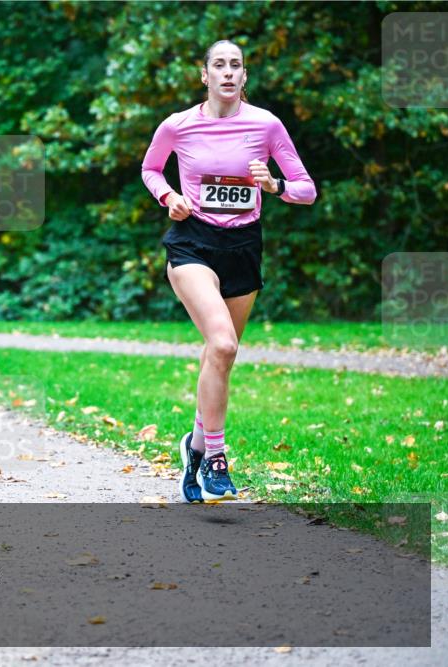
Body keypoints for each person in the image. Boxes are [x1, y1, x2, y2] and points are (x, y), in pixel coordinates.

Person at [141, 40, 316, 502]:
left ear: (244, 76)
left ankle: (194, 449)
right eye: (218, 65)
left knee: (220, 356)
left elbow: (306, 189)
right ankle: (216, 458)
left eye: (235, 65)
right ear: (204, 75)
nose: (227, 73)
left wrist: (274, 185)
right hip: (193, 241)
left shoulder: (266, 125)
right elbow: (151, 169)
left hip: (243, 245)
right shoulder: (177, 126)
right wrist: (168, 197)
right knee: (221, 341)